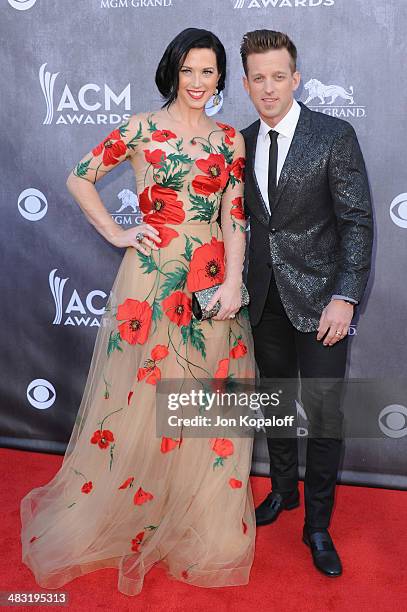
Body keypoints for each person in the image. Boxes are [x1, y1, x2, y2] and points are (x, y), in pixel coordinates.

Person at [20, 28, 256, 596]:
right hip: (149, 281)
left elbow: (234, 217)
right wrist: (119, 233)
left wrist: (233, 282)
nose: (199, 82)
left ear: (220, 77)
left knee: (205, 398)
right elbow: (80, 178)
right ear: (172, 70)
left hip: (210, 282)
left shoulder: (230, 141)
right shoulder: (140, 129)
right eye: (189, 70)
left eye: (209, 71)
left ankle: (198, 519)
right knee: (142, 395)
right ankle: (132, 509)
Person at [240, 30, 373, 577]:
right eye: (257, 78)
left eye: (278, 76)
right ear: (245, 84)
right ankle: (283, 492)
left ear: (295, 79)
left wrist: (345, 297)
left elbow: (357, 223)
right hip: (264, 299)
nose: (268, 88)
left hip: (323, 304)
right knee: (274, 402)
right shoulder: (240, 140)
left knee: (323, 415)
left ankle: (317, 523)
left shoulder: (333, 135)